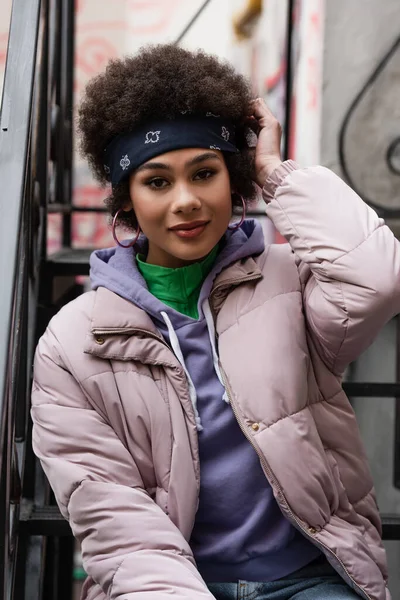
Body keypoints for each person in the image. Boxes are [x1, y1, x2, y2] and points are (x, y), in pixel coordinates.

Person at [31, 44, 400, 600]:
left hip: (311, 578)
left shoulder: (290, 282)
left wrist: (276, 173)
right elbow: (117, 522)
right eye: (156, 182)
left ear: (233, 179)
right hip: (172, 585)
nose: (186, 201)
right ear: (125, 201)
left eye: (204, 173)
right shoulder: (72, 343)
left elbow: (376, 279)